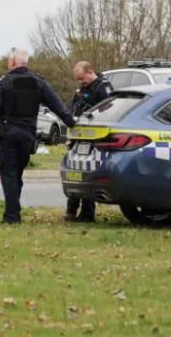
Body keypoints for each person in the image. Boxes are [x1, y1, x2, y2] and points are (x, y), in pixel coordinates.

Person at [0, 48, 75, 224]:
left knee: (9, 175)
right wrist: (72, 122)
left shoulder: (5, 82)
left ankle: (11, 216)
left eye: (8, 61)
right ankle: (14, 211)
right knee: (17, 174)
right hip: (27, 136)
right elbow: (56, 104)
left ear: (13, 62)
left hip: (8, 135)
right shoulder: (38, 82)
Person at [65, 61, 113, 222]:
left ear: (90, 71)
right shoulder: (82, 89)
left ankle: (87, 213)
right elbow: (74, 108)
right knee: (74, 172)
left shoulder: (103, 87)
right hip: (78, 136)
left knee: (88, 174)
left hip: (93, 136)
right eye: (78, 80)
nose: (80, 82)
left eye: (82, 78)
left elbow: (109, 110)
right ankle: (71, 210)